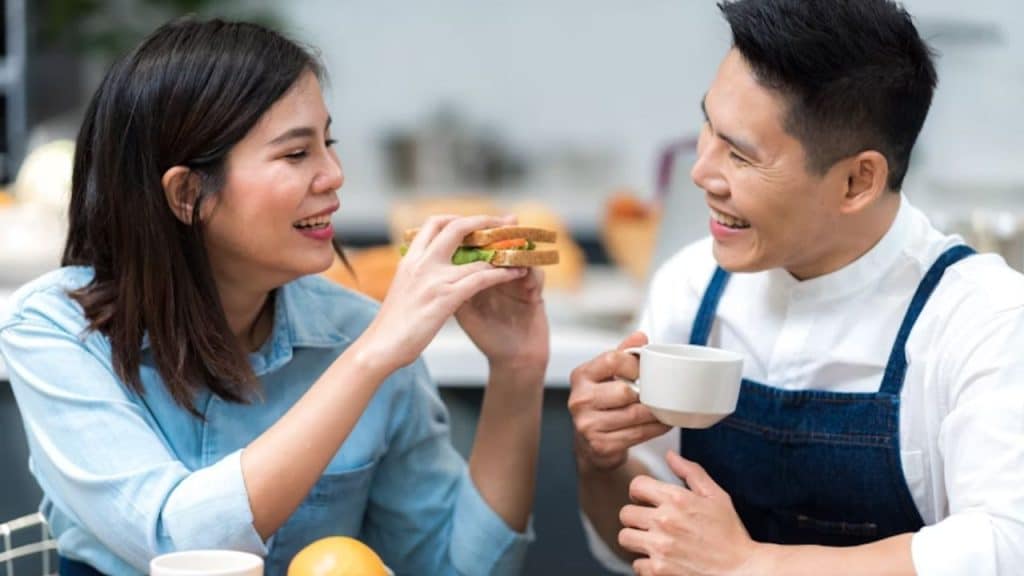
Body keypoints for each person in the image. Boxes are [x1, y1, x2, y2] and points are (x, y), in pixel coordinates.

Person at [0, 18, 548, 576]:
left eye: (327, 144)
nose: (334, 175)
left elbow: (453, 570)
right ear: (189, 194)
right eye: (295, 155)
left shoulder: (362, 332)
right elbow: (175, 542)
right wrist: (370, 357)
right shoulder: (56, 329)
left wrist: (517, 369)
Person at [569, 1, 1024, 574]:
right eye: (708, 125)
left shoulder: (984, 319)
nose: (701, 172)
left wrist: (751, 565)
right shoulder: (690, 285)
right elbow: (643, 543)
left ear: (858, 181)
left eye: (740, 155)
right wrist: (599, 461)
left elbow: (1006, 545)